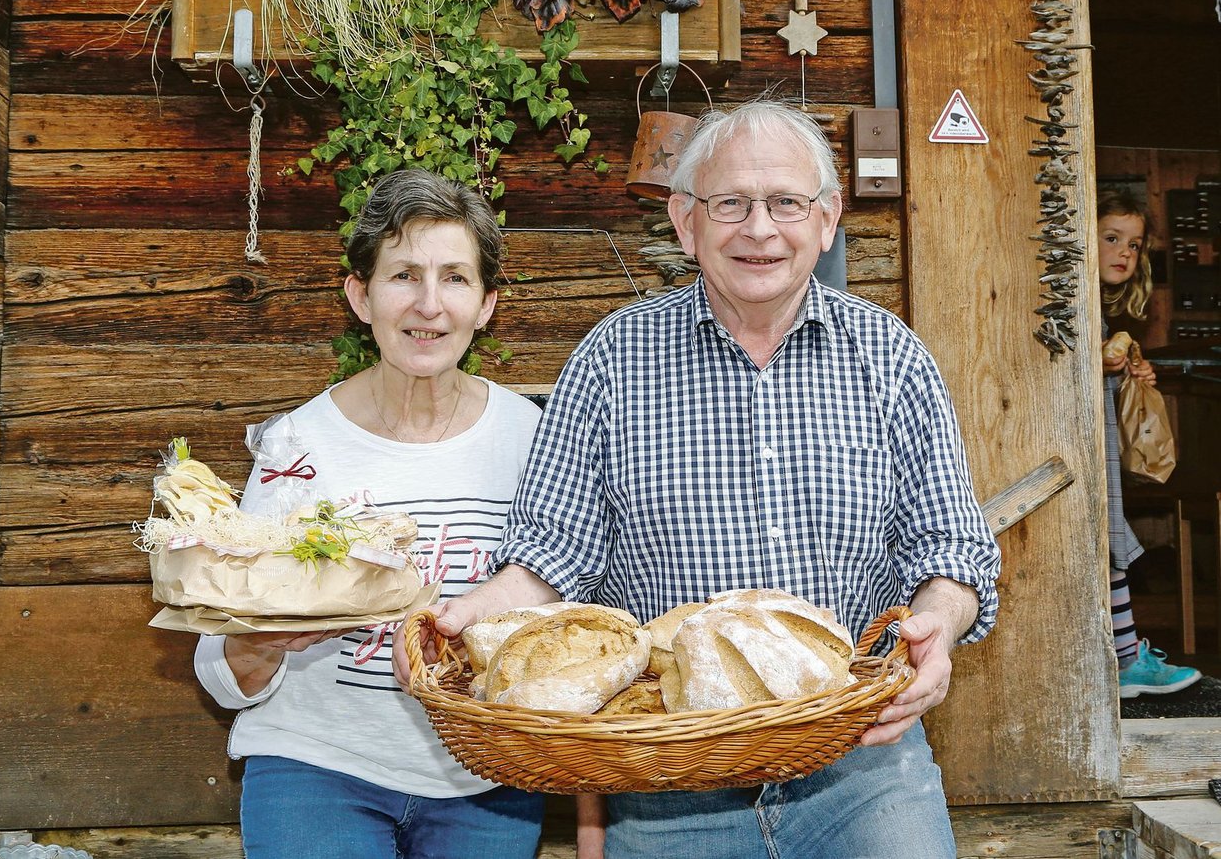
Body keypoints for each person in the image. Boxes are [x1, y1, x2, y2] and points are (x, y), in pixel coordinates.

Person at [396, 99, 1003, 859]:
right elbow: (551, 554)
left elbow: (950, 548)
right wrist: (465, 616)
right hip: (665, 783)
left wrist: (937, 627)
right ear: (686, 222)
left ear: (826, 220)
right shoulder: (613, 361)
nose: (759, 228)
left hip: (862, 764)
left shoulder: (893, 358)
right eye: (730, 203)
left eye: (786, 202)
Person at [193, 169, 546, 859]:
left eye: (454, 278)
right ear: (360, 295)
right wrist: (262, 643)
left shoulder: (532, 438)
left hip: (488, 775)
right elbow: (220, 662)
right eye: (404, 275)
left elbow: (565, 605)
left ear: (486, 304)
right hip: (315, 767)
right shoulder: (297, 445)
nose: (428, 304)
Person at [1096, 187, 1202, 699]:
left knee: (1110, 542)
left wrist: (1130, 373)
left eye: (1134, 245)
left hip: (1096, 445)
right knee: (1108, 542)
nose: (1124, 252)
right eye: (1112, 238)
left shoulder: (1103, 312)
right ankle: (1124, 659)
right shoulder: (1071, 304)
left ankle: (1124, 656)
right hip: (1076, 449)